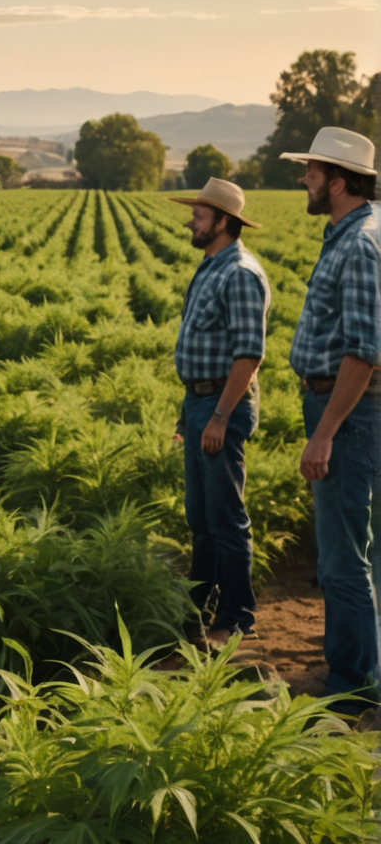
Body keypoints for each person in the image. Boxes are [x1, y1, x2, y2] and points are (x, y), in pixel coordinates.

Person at [282, 126, 381, 715]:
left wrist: (325, 432)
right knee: (363, 545)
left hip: (348, 410)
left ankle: (351, 684)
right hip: (352, 408)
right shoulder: (352, 233)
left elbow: (364, 349)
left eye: (312, 173)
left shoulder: (361, 243)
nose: (305, 180)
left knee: (342, 555)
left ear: (337, 182)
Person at [166, 177, 269, 646]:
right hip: (199, 401)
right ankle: (197, 611)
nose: (191, 220)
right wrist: (188, 413)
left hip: (220, 405)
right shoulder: (210, 266)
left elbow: (248, 355)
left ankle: (234, 617)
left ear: (223, 222)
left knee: (226, 518)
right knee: (201, 517)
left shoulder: (240, 273)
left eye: (200, 215)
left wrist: (220, 416)